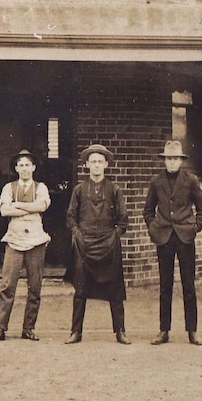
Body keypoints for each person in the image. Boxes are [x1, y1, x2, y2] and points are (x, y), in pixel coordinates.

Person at [143, 140, 202, 346]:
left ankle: (192, 330)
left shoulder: (190, 180)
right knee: (165, 285)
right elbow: (147, 211)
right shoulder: (156, 181)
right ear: (164, 161)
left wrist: (193, 228)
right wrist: (154, 227)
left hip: (184, 237)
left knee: (188, 284)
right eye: (168, 159)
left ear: (181, 160)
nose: (171, 163)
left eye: (175, 159)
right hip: (164, 237)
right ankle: (164, 330)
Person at [64, 144, 130, 345]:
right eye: (93, 162)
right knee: (80, 290)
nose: (96, 166)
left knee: (116, 290)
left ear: (106, 165)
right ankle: (76, 332)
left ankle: (120, 331)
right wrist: (77, 234)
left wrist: (114, 236)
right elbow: (70, 217)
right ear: (86, 165)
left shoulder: (115, 190)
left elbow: (123, 219)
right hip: (85, 246)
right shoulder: (79, 190)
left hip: (109, 244)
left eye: (100, 162)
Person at [0, 149, 51, 342]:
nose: (24, 169)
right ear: (16, 168)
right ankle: (0, 328)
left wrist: (17, 206)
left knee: (35, 286)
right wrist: (26, 208)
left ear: (33, 167)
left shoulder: (41, 187)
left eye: (27, 165)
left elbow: (42, 206)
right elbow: (4, 211)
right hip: (14, 240)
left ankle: (29, 328)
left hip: (36, 240)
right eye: (20, 165)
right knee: (7, 285)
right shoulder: (9, 187)